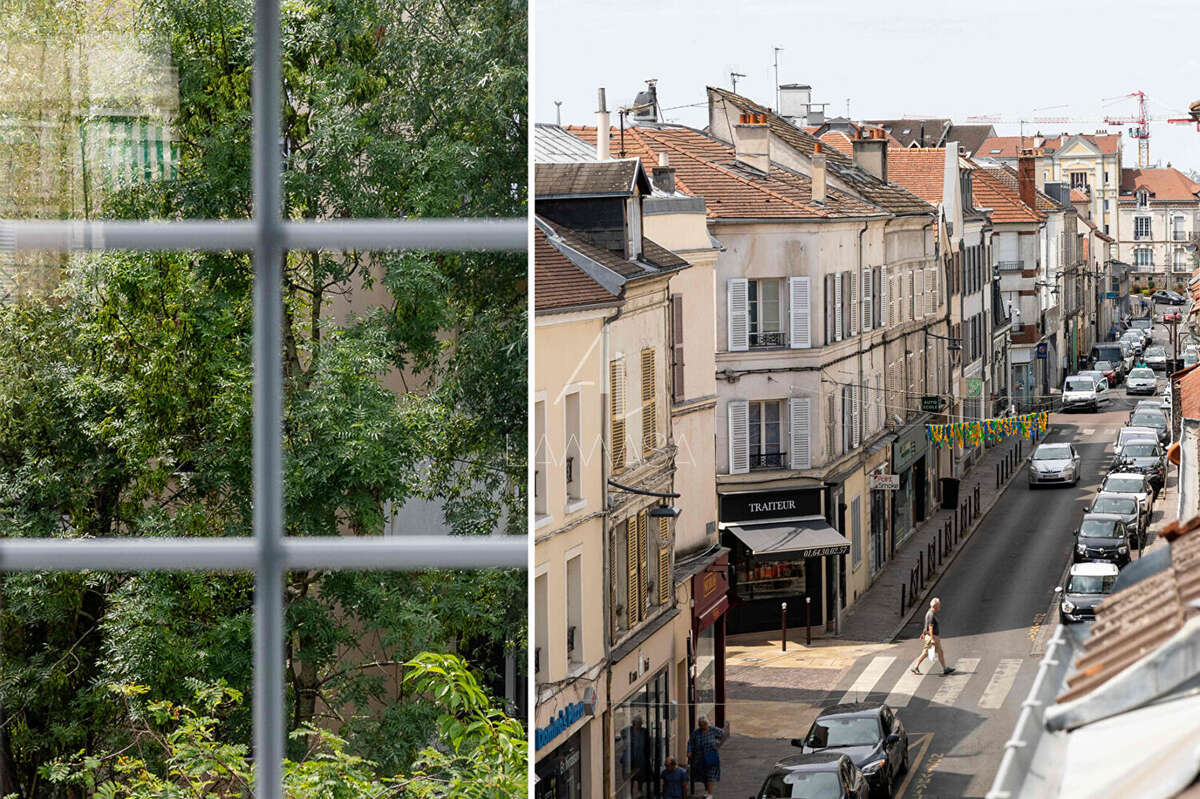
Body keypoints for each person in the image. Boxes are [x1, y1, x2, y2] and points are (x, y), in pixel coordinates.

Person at [911, 597, 955, 675]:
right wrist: (932, 639)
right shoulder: (931, 614)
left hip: (932, 636)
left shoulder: (929, 613)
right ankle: (915, 667)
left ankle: (945, 668)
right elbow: (930, 627)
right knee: (926, 653)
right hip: (933, 636)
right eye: (938, 605)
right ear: (935, 606)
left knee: (939, 652)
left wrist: (923, 634)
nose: (940, 606)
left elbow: (926, 626)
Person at [687, 715, 726, 799]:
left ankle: (710, 794)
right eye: (702, 726)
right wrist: (689, 751)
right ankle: (707, 791)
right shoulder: (696, 733)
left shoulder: (713, 729)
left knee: (710, 775)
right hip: (700, 757)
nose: (704, 727)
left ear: (707, 724)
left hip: (711, 755)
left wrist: (717, 742)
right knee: (704, 775)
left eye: (705, 725)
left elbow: (722, 733)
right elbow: (690, 742)